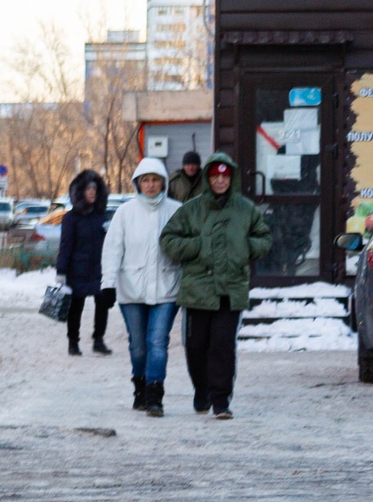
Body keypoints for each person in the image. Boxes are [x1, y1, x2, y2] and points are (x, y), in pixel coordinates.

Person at [158, 150, 271, 418]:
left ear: (231, 178)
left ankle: (221, 401)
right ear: (208, 178)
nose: (220, 181)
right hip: (198, 288)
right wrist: (196, 246)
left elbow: (264, 238)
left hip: (230, 289)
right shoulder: (192, 209)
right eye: (215, 176)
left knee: (222, 345)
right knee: (196, 346)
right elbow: (168, 239)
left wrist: (245, 247)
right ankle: (202, 389)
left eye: (225, 176)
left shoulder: (245, 209)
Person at [98, 155, 180, 414]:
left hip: (166, 289)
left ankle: (155, 394)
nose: (151, 185)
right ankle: (140, 387)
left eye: (156, 180)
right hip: (131, 290)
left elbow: (187, 248)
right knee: (138, 345)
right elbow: (112, 250)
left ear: (163, 183)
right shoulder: (125, 213)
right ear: (138, 183)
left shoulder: (176, 211)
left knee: (158, 342)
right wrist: (108, 284)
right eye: (146, 180)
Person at [53, 168, 115, 356]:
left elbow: (111, 243)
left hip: (99, 268)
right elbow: (66, 245)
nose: (91, 192)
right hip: (77, 269)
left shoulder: (102, 216)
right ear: (80, 191)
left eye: (94, 189)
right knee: (76, 306)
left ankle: (98, 340)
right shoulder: (71, 218)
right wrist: (61, 271)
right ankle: (73, 342)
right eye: (88, 189)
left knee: (103, 304)